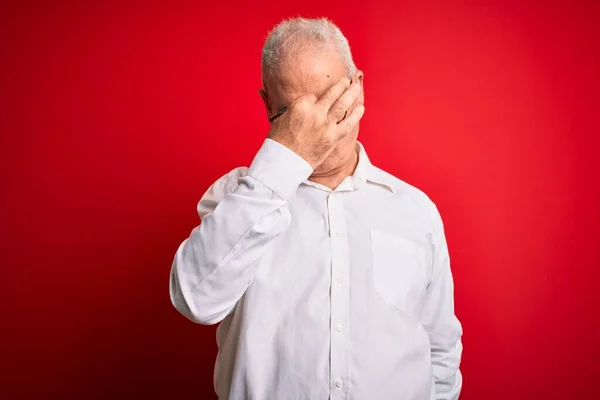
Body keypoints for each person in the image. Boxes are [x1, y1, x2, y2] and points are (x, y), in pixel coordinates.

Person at [169, 16, 463, 400]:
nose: (319, 127)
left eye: (332, 102)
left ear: (358, 87)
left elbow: (439, 350)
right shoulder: (236, 197)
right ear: (268, 105)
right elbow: (195, 299)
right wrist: (283, 159)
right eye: (294, 113)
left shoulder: (415, 210)